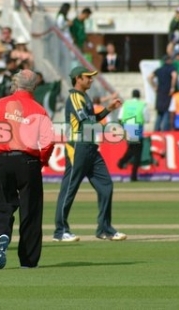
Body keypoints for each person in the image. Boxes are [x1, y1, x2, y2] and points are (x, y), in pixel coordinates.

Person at [0, 69, 55, 269]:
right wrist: (41, 160)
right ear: (35, 86)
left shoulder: (0, 104)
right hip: (28, 161)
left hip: (2, 160)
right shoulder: (39, 109)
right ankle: (28, 260)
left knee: (4, 205)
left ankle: (2, 235)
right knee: (31, 211)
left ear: (15, 84)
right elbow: (48, 142)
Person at [54, 65, 126, 243]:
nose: (91, 80)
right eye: (88, 77)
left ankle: (104, 229)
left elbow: (91, 118)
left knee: (106, 186)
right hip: (78, 146)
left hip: (90, 146)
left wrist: (108, 109)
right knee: (70, 188)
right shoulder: (75, 97)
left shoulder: (84, 97)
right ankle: (60, 231)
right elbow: (85, 120)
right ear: (78, 78)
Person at [117, 89, 149, 182]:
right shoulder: (142, 105)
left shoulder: (126, 104)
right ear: (139, 96)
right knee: (137, 153)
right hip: (136, 127)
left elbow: (120, 117)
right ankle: (133, 175)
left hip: (127, 127)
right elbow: (147, 119)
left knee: (131, 149)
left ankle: (122, 162)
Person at [147, 55, 177, 131]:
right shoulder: (171, 68)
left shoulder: (159, 69)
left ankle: (156, 130)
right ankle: (165, 130)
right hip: (167, 92)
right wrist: (172, 87)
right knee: (167, 111)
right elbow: (174, 76)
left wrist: (154, 86)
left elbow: (149, 77)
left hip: (160, 92)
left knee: (159, 112)